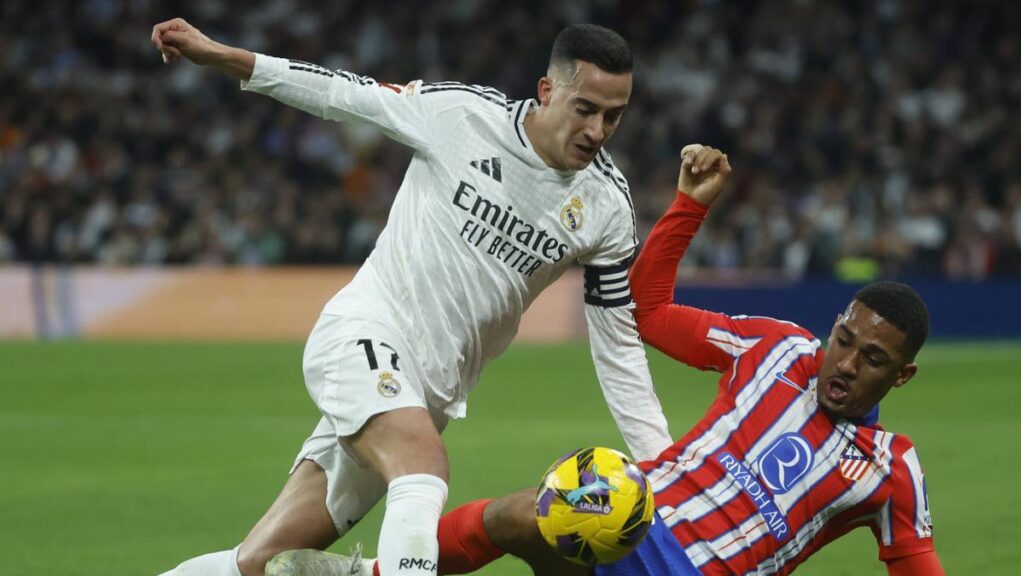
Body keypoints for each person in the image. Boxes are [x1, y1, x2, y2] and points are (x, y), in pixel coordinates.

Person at [151, 18, 673, 576]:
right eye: (585, 108)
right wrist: (222, 56)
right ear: (548, 92)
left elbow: (620, 347)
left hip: (429, 394)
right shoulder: (460, 116)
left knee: (257, 564)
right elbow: (339, 93)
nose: (597, 130)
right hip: (366, 334)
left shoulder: (608, 207)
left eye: (612, 116)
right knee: (424, 468)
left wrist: (665, 469)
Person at [281, 144, 945, 575]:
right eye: (846, 341)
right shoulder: (776, 348)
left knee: (519, 517)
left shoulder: (890, 468)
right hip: (628, 519)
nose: (848, 364)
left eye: (874, 360)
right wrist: (687, 206)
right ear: (834, 328)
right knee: (515, 515)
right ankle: (365, 574)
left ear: (902, 375)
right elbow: (649, 313)